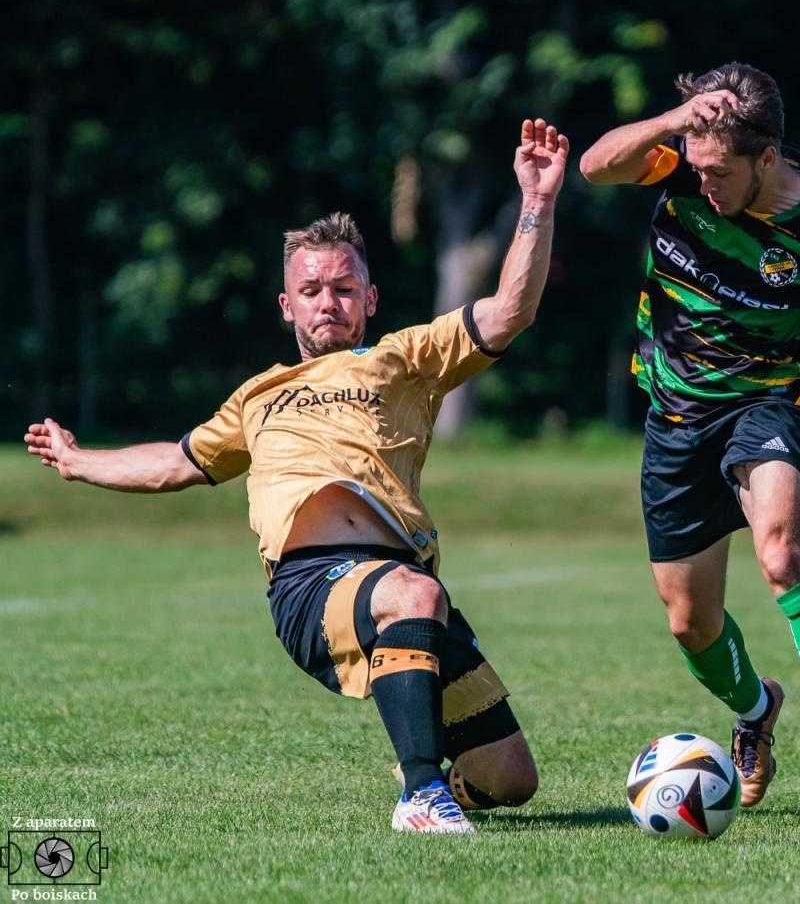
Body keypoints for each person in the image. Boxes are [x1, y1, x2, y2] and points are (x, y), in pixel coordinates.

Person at [24, 118, 571, 834]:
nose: (328, 300)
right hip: (312, 584)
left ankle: (434, 766)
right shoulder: (257, 394)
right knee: (414, 590)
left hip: (400, 578)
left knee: (512, 778)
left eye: (345, 287)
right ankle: (420, 795)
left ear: (370, 298)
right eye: (311, 289)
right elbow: (176, 462)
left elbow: (510, 311)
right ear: (287, 305)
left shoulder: (405, 358)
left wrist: (537, 200)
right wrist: (77, 460)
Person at [578, 61, 800, 805]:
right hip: (675, 414)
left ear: (768, 159)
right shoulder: (680, 159)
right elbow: (594, 166)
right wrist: (671, 125)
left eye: (720, 172)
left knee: (781, 551)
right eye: (697, 166)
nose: (703, 183)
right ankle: (756, 709)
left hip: (768, 400)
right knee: (690, 622)